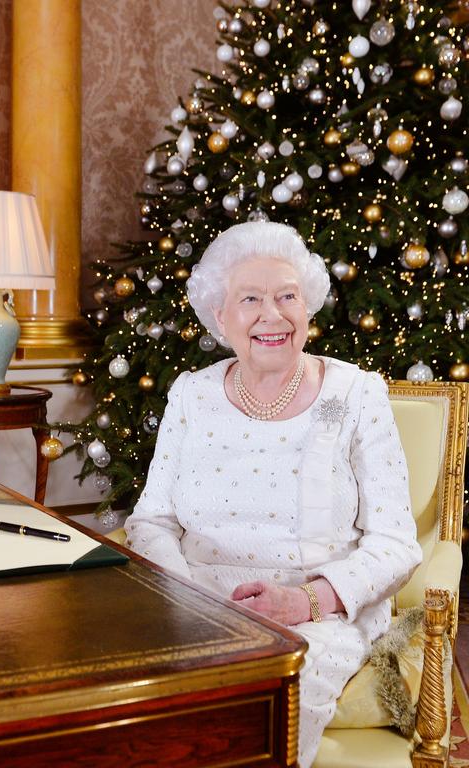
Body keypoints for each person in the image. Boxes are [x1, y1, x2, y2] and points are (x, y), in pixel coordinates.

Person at [122, 221, 422, 768]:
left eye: (288, 297)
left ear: (308, 308)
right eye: (251, 299)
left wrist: (306, 601)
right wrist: (189, 599)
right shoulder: (192, 395)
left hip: (315, 617)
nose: (272, 315)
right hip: (197, 604)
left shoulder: (352, 396)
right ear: (220, 317)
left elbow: (396, 543)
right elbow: (153, 522)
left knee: (269, 703)